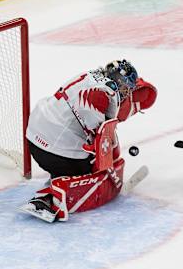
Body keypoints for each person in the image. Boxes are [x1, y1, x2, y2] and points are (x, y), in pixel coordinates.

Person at [20, 59, 157, 222]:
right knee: (90, 166)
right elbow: (101, 140)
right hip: (55, 151)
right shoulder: (105, 93)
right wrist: (106, 164)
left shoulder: (89, 76)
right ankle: (53, 197)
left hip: (34, 139)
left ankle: (58, 176)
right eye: (125, 88)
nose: (127, 93)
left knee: (76, 143)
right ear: (118, 82)